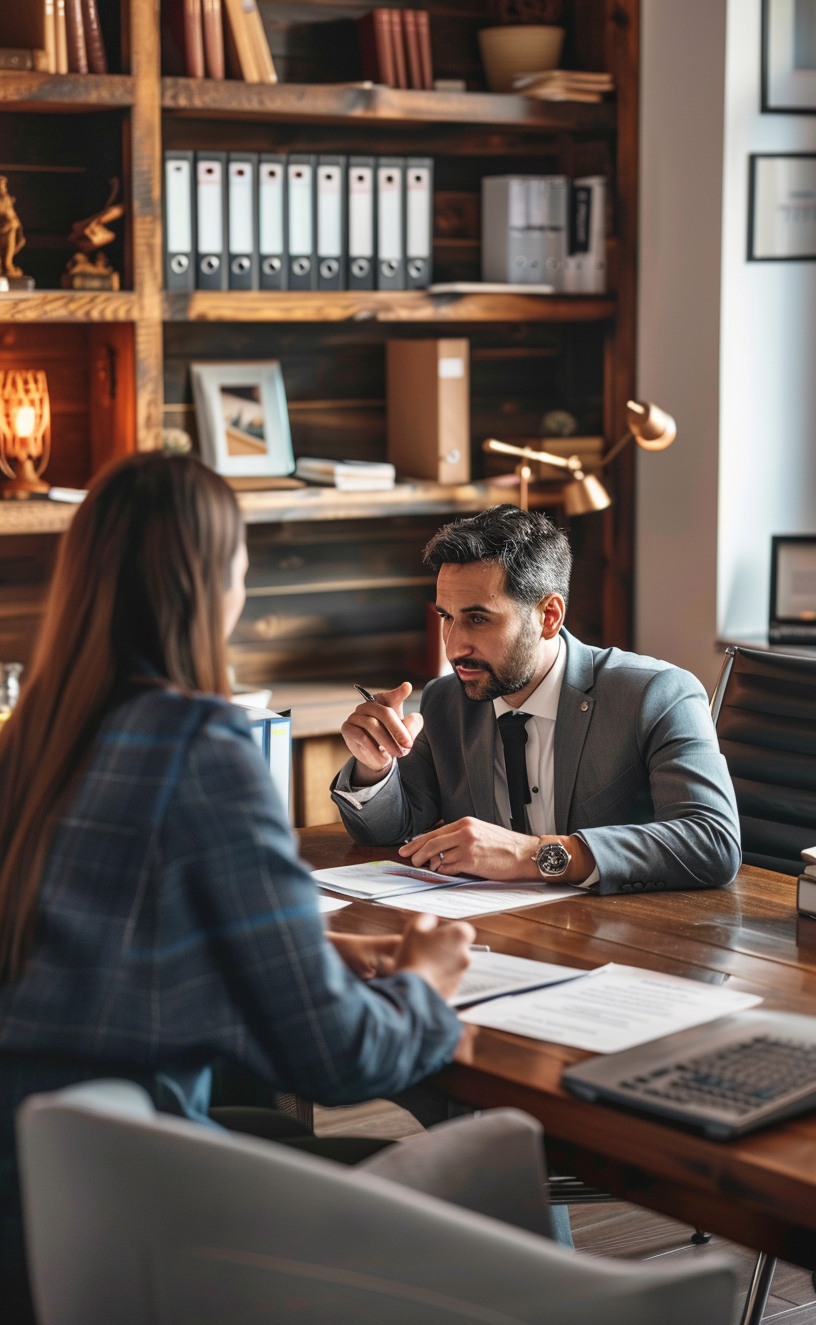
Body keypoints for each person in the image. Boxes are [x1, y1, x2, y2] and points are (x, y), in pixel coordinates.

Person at [0, 452, 475, 1322]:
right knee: (487, 1171)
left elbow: (92, 932)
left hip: (33, 1195)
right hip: (140, 1203)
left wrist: (316, 944)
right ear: (212, 585)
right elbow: (338, 1059)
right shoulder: (202, 747)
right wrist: (427, 980)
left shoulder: (29, 743)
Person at [333, 505, 741, 894]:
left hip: (632, 939)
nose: (454, 646)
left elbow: (711, 841)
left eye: (478, 618)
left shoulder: (656, 695)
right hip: (495, 933)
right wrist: (375, 768)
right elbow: (391, 830)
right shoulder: (446, 700)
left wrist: (531, 855)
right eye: (446, 617)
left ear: (548, 617)